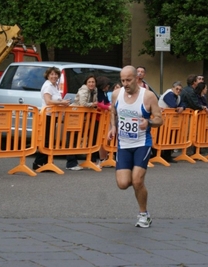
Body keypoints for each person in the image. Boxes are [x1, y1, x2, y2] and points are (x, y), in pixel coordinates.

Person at [107, 65, 163, 228]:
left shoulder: (148, 96)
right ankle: (135, 180)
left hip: (141, 144)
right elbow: (113, 112)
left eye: (128, 80)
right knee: (123, 184)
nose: (125, 83)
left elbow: (160, 119)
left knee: (137, 181)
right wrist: (113, 127)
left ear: (137, 78)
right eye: (122, 80)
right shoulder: (117, 94)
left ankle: (144, 214)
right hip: (123, 145)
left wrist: (149, 122)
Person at [32, 67, 70, 171]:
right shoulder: (48, 86)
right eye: (52, 74)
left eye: (56, 74)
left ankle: (46, 162)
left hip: (52, 116)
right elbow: (48, 101)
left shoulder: (54, 86)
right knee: (46, 140)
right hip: (46, 116)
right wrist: (62, 103)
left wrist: (63, 103)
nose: (54, 76)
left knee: (48, 140)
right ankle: (38, 163)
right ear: (48, 75)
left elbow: (55, 100)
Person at [66, 75, 98, 170]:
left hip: (83, 118)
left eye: (93, 82)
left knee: (80, 138)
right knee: (72, 139)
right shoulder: (84, 90)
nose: (91, 84)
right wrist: (93, 104)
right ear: (86, 83)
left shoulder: (94, 91)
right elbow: (83, 103)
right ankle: (71, 163)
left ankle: (87, 160)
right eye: (89, 82)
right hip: (74, 116)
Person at [95, 76, 111, 167]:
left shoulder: (104, 93)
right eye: (107, 85)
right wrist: (108, 107)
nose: (108, 87)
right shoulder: (98, 92)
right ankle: (101, 158)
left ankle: (104, 158)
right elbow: (99, 104)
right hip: (98, 118)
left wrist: (111, 106)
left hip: (103, 119)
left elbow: (107, 102)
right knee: (100, 139)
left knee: (103, 139)